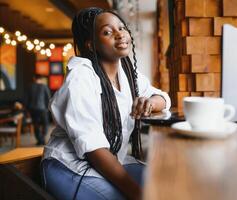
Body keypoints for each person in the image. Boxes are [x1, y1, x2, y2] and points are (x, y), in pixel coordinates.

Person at [41, 7, 171, 200]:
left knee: (164, 185)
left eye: (121, 27)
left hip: (110, 160)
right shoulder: (80, 78)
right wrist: (138, 194)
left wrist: (149, 103)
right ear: (91, 45)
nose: (120, 34)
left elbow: (164, 99)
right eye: (108, 32)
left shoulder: (127, 73)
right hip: (69, 166)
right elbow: (95, 150)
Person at [25, 74, 51, 145]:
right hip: (43, 109)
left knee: (36, 125)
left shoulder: (29, 87)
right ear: (41, 79)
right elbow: (48, 98)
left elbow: (26, 100)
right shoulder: (44, 86)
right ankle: (42, 138)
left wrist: (27, 110)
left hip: (33, 109)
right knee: (45, 124)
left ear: (34, 78)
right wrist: (48, 109)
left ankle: (40, 140)